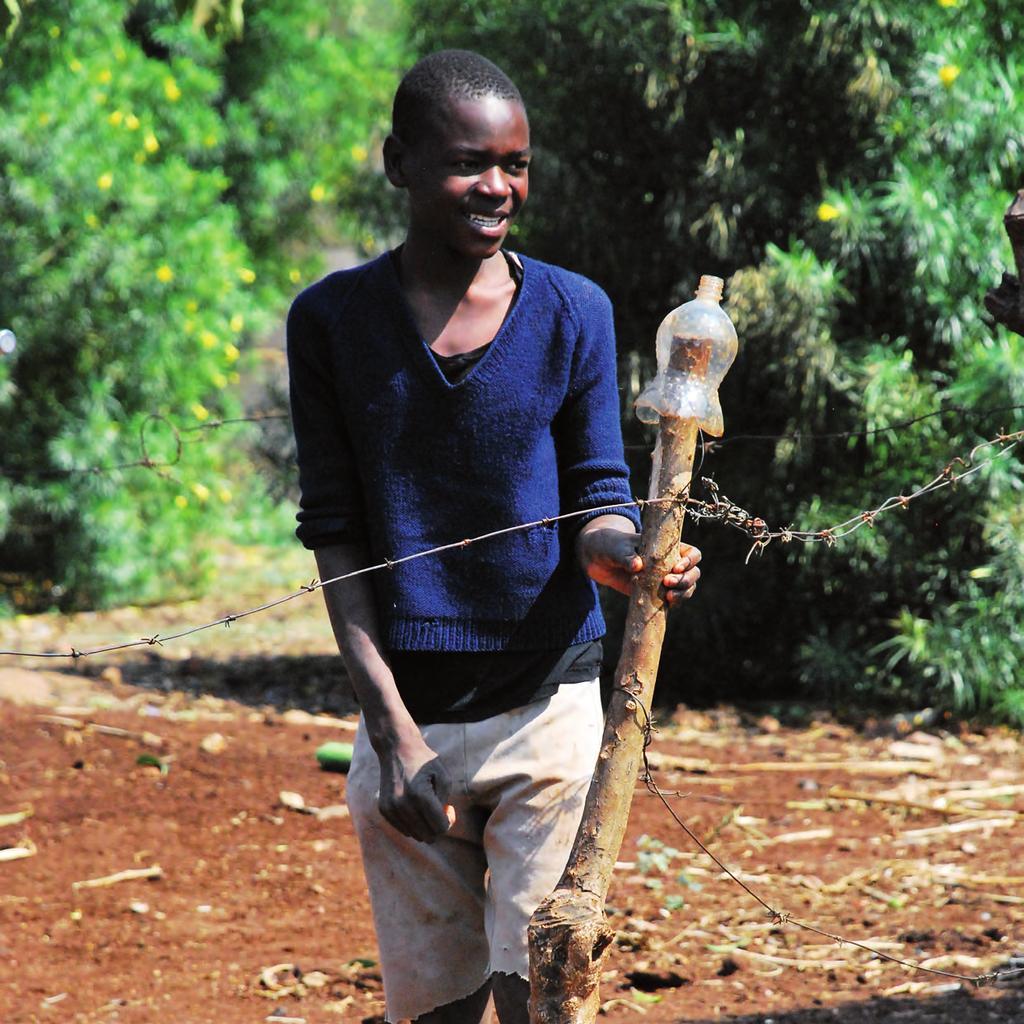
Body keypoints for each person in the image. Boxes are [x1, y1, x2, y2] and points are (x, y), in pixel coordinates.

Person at [287, 49, 701, 1024]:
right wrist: (388, 736)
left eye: (515, 164)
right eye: (470, 161)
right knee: (431, 1008)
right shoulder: (332, 323)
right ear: (398, 164)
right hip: (408, 724)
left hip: (547, 707)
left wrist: (622, 554)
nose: (498, 186)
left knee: (540, 997)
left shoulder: (572, 311)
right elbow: (336, 534)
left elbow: (597, 492)